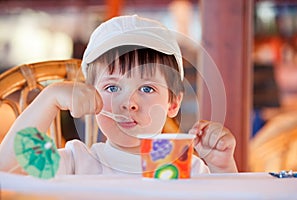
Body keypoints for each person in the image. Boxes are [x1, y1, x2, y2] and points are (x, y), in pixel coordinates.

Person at [0, 15, 237, 175]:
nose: (129, 104)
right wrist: (48, 99)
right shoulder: (77, 162)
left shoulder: (184, 168)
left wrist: (221, 167)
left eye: (146, 89)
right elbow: (5, 171)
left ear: (173, 103)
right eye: (112, 88)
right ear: (90, 98)